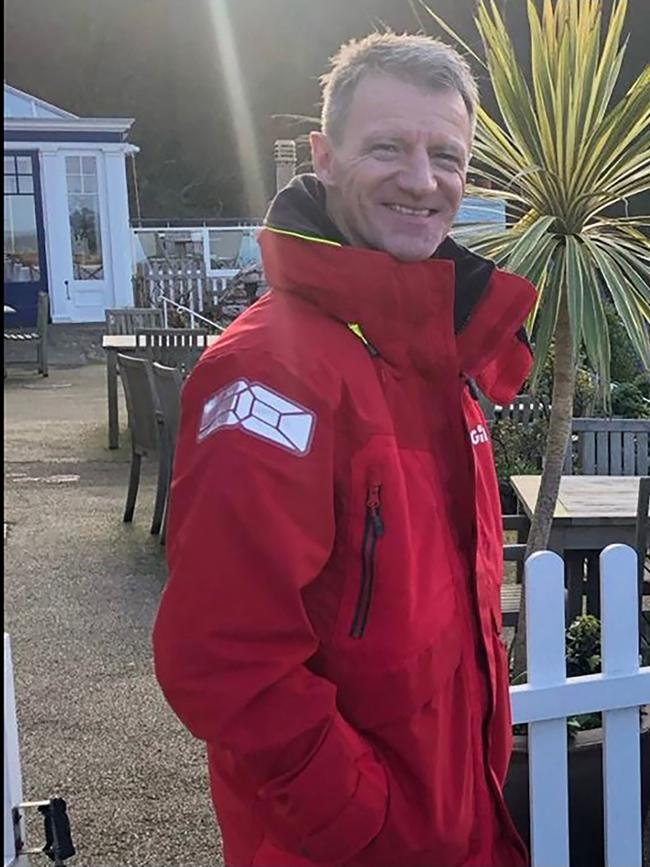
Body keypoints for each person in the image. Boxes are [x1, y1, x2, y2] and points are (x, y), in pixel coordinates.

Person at [153, 31, 537, 867]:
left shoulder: (437, 355)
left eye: (447, 154)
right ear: (324, 157)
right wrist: (367, 823)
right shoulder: (268, 373)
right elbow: (224, 656)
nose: (422, 179)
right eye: (387, 148)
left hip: (456, 824)